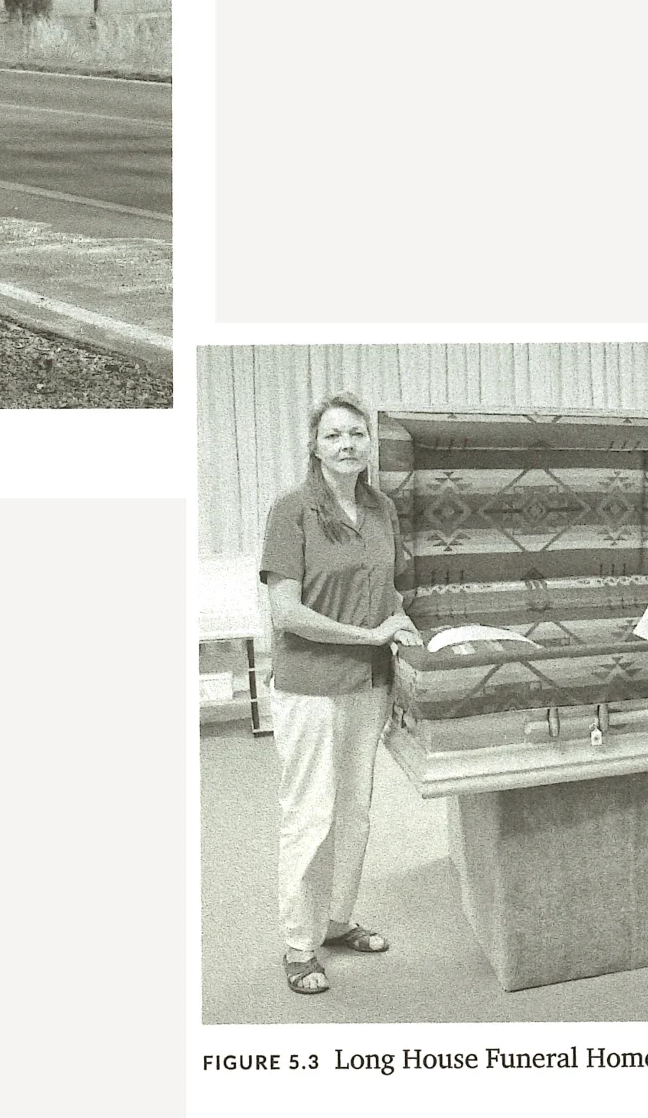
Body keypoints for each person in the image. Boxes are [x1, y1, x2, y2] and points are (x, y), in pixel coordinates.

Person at [259, 392, 421, 996]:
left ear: (368, 444)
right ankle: (298, 945)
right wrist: (369, 634)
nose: (347, 445)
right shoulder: (292, 511)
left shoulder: (382, 509)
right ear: (314, 446)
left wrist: (401, 625)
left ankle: (335, 921)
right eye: (333, 436)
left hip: (367, 684)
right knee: (310, 813)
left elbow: (391, 591)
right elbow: (286, 612)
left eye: (355, 435)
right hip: (310, 686)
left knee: (354, 811)